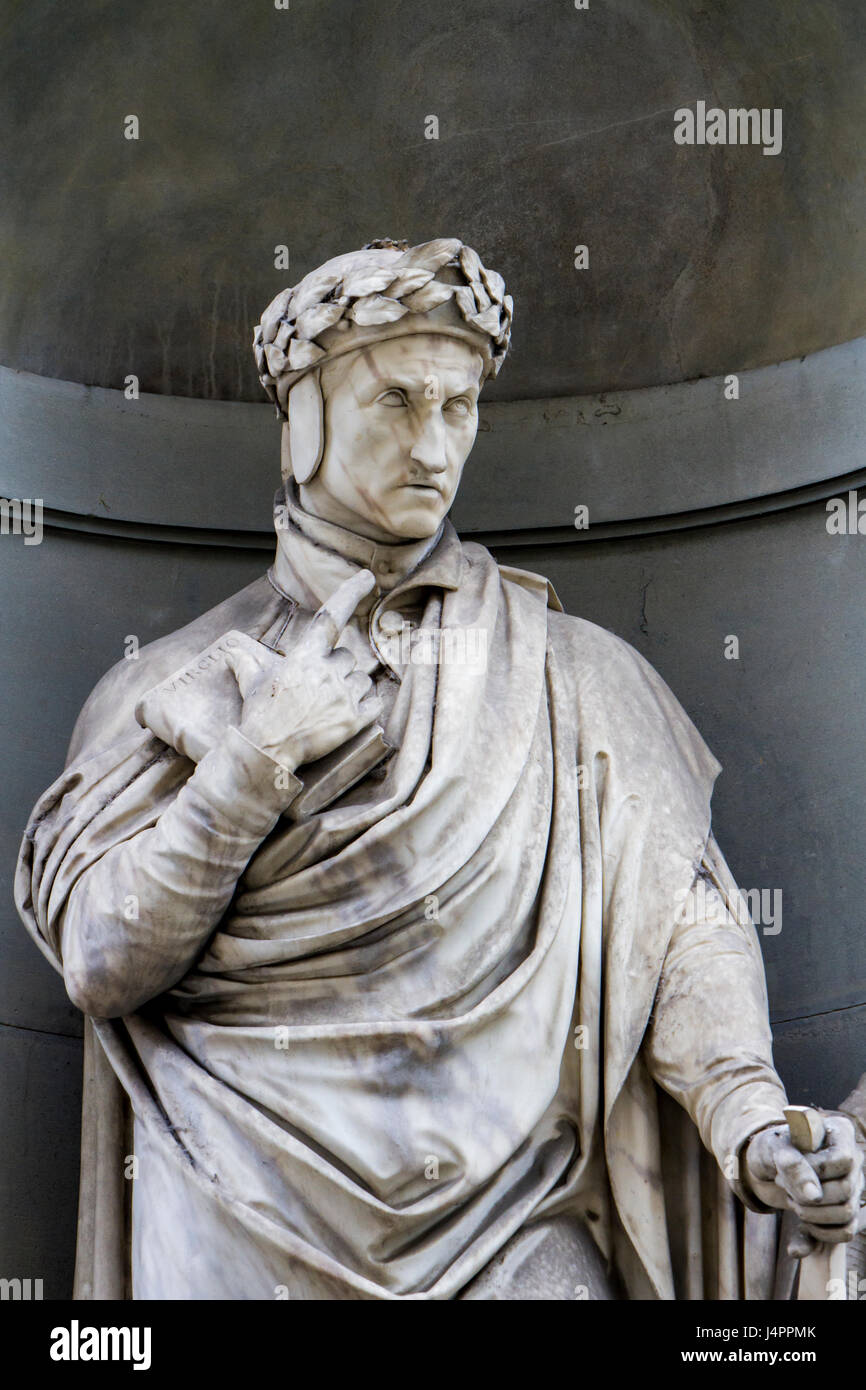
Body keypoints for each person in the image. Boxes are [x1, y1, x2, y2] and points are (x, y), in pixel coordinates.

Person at [16, 237, 865, 1300]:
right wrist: (253, 761)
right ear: (306, 420)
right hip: (237, 1209)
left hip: (520, 1231)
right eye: (395, 401)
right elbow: (101, 959)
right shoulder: (170, 688)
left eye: (458, 408)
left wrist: (747, 1117)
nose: (432, 444)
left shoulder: (575, 678)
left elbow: (676, 925)